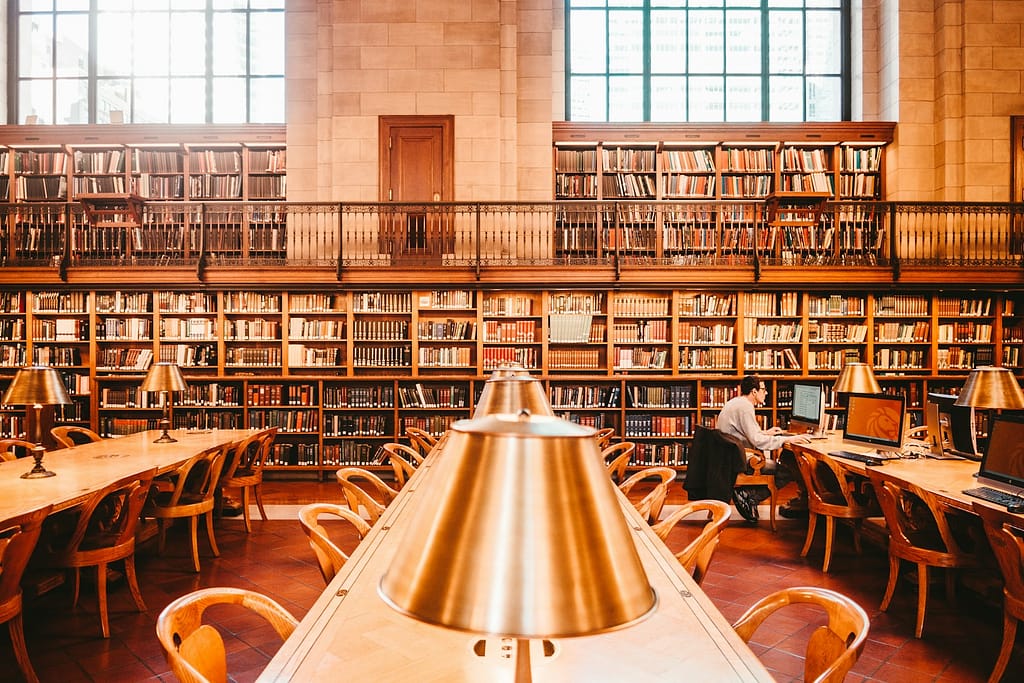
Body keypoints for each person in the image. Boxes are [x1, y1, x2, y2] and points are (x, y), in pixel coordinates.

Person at [715, 375, 809, 522]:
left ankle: (747, 494)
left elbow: (745, 433)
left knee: (784, 463)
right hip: (737, 459)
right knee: (787, 470)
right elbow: (758, 442)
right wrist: (788, 439)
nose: (766, 393)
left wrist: (766, 432)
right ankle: (750, 496)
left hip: (728, 455)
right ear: (754, 391)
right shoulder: (745, 407)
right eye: (764, 390)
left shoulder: (737, 402)